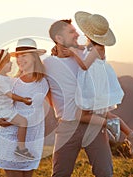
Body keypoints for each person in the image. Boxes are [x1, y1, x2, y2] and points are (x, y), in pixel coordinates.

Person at [44, 18, 113, 176]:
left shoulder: (87, 54)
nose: (77, 34)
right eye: (71, 32)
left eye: (75, 31)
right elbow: (37, 86)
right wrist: (57, 107)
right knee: (60, 173)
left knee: (105, 173)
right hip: (67, 126)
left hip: (93, 125)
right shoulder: (48, 63)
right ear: (59, 39)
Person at [69, 11, 133, 155]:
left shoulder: (97, 48)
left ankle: (111, 125)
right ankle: (132, 134)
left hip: (93, 86)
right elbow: (83, 50)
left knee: (82, 114)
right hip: (97, 84)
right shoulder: (95, 46)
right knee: (105, 113)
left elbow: (85, 65)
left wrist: (72, 54)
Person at [0, 38, 49, 177]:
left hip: (32, 138)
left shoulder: (44, 82)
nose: (20, 60)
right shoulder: (12, 83)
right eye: (18, 56)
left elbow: (58, 103)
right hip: (10, 136)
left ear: (34, 58)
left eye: (24, 56)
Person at [0, 48, 35, 160]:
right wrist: (23, 99)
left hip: (3, 109)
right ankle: (21, 149)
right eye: (7, 61)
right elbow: (10, 95)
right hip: (4, 110)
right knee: (23, 122)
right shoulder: (0, 80)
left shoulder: (4, 78)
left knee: (20, 122)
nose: (11, 62)